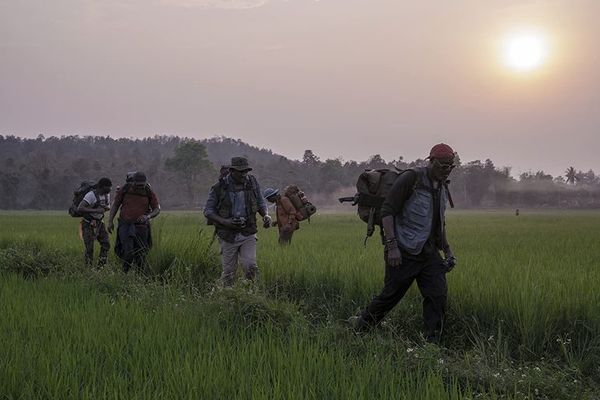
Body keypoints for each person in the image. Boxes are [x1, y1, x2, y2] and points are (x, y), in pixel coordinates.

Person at [353, 143, 458, 343]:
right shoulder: (412, 178)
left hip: (429, 253)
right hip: (404, 250)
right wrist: (392, 247)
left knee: (437, 297)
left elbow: (438, 223)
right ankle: (360, 329)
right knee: (390, 296)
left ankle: (432, 344)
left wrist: (448, 250)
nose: (447, 170)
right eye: (443, 166)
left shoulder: (442, 186)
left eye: (450, 166)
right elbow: (387, 211)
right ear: (431, 161)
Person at [204, 157, 272, 286]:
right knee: (229, 273)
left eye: (246, 171)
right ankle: (225, 296)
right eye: (240, 171)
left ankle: (253, 293)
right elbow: (208, 211)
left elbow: (260, 202)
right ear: (231, 171)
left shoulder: (252, 182)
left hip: (248, 232)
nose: (244, 174)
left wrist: (266, 216)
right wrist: (226, 222)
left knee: (250, 266)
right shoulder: (219, 187)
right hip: (227, 235)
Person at [107, 172, 160, 273]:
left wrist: (147, 216)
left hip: (142, 227)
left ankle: (139, 276)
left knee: (141, 254)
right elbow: (115, 206)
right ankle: (124, 274)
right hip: (126, 225)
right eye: (137, 185)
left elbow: (156, 209)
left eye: (142, 185)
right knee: (128, 252)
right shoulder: (125, 189)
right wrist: (110, 221)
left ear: (145, 183)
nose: (140, 187)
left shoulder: (148, 191)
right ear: (133, 182)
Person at [77, 177, 112, 268]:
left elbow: (108, 207)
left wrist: (104, 208)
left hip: (100, 223)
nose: (107, 192)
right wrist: (95, 210)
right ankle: (88, 269)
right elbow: (80, 208)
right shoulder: (90, 195)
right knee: (89, 248)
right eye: (106, 190)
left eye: (109, 190)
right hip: (88, 223)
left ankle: (101, 267)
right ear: (100, 187)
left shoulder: (107, 194)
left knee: (106, 244)